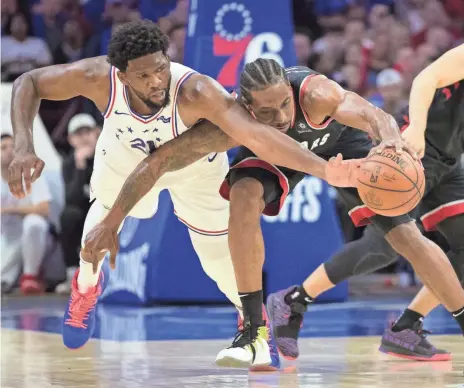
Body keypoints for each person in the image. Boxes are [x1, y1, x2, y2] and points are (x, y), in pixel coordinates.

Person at [7, 20, 361, 366]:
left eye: (160, 69)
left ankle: (253, 326)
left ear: (168, 56)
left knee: (218, 256)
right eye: (143, 76)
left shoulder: (198, 91)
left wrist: (323, 169)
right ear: (121, 73)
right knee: (95, 234)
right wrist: (24, 144)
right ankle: (85, 289)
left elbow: (260, 137)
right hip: (125, 158)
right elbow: (29, 82)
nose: (156, 80)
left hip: (195, 168)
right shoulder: (97, 77)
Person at [80, 57, 464, 369]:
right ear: (246, 109)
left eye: (284, 103)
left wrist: (393, 141)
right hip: (278, 155)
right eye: (266, 111)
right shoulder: (229, 125)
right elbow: (158, 161)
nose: (280, 115)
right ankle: (253, 329)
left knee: (405, 238)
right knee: (243, 195)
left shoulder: (318, 94)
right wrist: (112, 221)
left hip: (342, 147)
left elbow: (371, 114)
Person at [267, 44, 464, 362]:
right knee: (386, 244)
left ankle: (407, 326)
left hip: (450, 162)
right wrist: (417, 126)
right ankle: (295, 300)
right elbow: (428, 77)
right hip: (409, 152)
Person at [1, 134, 52, 294]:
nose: (9, 151)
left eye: (13, 147)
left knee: (33, 223)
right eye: (3, 148)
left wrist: (10, 210)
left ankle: (30, 275)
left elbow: (44, 209)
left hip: (36, 237)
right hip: (6, 237)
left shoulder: (32, 173)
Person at [56, 114, 100, 294]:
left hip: (104, 211)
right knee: (68, 216)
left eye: (87, 132)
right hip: (82, 213)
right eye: (78, 133)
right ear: (71, 139)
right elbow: (72, 198)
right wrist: (80, 166)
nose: (84, 137)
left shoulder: (106, 156)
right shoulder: (68, 163)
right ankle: (72, 273)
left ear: (96, 133)